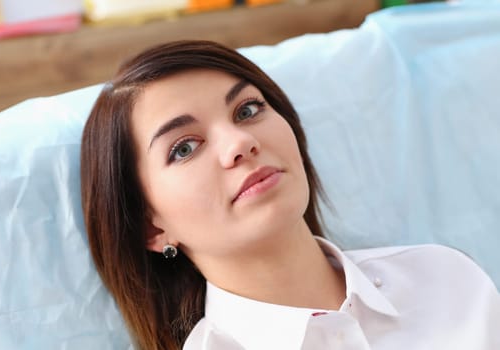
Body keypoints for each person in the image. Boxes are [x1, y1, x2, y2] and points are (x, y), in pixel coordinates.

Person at [80, 40, 499, 350]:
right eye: (184, 148)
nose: (240, 142)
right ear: (152, 227)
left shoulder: (446, 279)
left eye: (247, 110)